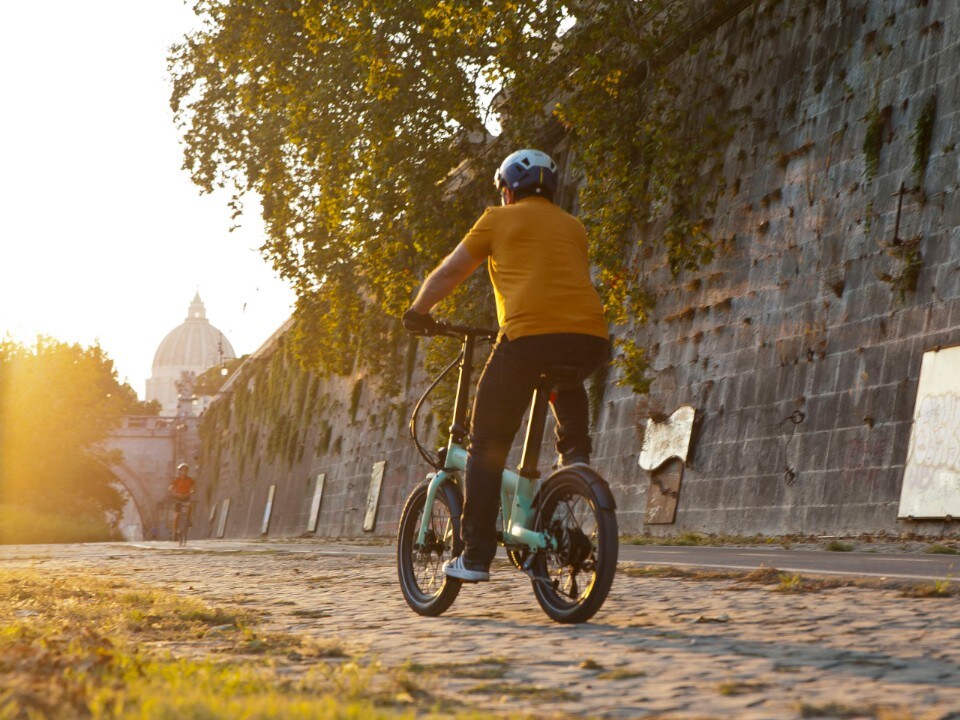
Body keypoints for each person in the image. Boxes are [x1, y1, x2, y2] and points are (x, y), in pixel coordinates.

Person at [403, 148, 610, 583]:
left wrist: (418, 311)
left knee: (486, 444)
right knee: (563, 374)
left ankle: (475, 555)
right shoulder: (574, 227)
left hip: (527, 338)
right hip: (589, 340)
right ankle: (575, 464)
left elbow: (449, 272)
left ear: (507, 190)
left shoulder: (497, 219)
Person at [168, 462, 196, 534]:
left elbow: (193, 488)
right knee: (177, 514)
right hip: (178, 498)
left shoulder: (190, 480)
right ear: (180, 471)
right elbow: (170, 488)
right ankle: (175, 530)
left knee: (189, 506)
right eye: (182, 470)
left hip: (186, 497)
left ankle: (188, 519)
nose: (184, 472)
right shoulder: (176, 480)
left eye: (185, 470)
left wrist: (191, 492)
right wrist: (175, 494)